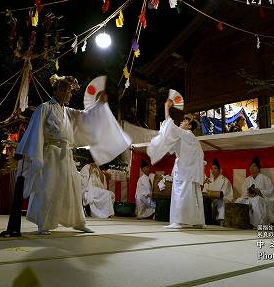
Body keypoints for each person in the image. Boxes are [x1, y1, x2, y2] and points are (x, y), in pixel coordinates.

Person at [16, 74, 131, 235]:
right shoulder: (45, 108)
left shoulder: (68, 112)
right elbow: (35, 133)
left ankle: (78, 222)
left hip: (66, 155)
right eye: (69, 92)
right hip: (50, 155)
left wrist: (99, 104)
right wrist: (37, 157)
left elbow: (86, 117)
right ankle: (44, 223)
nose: (70, 95)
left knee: (73, 188)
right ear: (60, 91)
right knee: (48, 188)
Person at [147, 99, 205, 229]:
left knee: (182, 194)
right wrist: (164, 129)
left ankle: (181, 221)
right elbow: (171, 146)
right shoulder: (187, 137)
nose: (182, 121)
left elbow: (171, 127)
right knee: (192, 195)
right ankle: (195, 221)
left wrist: (167, 108)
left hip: (185, 170)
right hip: (187, 170)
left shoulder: (187, 135)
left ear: (189, 126)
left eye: (185, 121)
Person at [236, 157, 274, 227]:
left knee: (256, 200)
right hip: (249, 198)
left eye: (254, 166)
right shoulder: (247, 180)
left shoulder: (265, 179)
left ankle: (257, 224)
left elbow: (271, 192)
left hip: (261, 199)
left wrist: (259, 191)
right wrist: (248, 192)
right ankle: (242, 222)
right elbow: (243, 192)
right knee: (239, 200)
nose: (252, 168)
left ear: (259, 168)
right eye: (250, 166)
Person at [203, 158, 234, 226]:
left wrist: (215, 196)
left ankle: (221, 220)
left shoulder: (225, 180)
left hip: (223, 199)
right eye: (212, 168)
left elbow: (223, 194)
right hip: (210, 199)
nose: (213, 170)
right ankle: (206, 220)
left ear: (220, 170)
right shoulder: (209, 180)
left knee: (220, 200)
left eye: (215, 168)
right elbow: (204, 192)